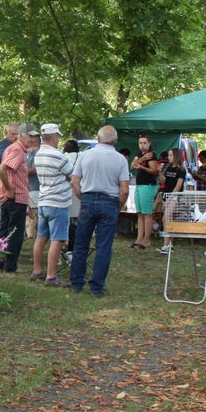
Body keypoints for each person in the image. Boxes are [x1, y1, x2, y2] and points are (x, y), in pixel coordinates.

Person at [69, 126, 129, 296]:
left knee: (81, 244)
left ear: (98, 138)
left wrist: (83, 198)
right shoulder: (120, 159)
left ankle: (76, 283)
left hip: (88, 200)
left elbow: (74, 182)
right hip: (109, 201)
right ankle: (96, 287)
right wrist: (118, 206)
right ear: (115, 140)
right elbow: (124, 190)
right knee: (103, 247)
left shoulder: (85, 155)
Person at [31, 123, 74, 285]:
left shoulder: (39, 154)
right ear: (54, 136)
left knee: (41, 237)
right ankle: (51, 276)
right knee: (58, 239)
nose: (59, 140)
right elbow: (73, 175)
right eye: (58, 136)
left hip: (43, 200)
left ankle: (37, 271)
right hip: (58, 202)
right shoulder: (58, 156)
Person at [0, 123, 39, 273]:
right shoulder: (17, 150)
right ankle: (10, 266)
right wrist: (9, 189)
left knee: (4, 230)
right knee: (15, 233)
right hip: (14, 198)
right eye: (30, 136)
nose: (33, 139)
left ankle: (0, 262)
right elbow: (1, 169)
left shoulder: (14, 149)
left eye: (34, 137)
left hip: (11, 197)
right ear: (22, 135)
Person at [129, 135, 159, 250]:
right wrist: (142, 159)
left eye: (144, 143)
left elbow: (154, 171)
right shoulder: (140, 154)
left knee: (147, 214)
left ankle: (146, 239)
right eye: (140, 143)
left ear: (149, 143)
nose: (142, 145)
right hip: (139, 185)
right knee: (140, 213)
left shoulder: (152, 155)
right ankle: (139, 239)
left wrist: (142, 167)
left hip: (148, 185)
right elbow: (132, 166)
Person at [156, 148, 186, 254]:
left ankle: (166, 245)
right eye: (168, 155)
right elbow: (163, 181)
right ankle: (169, 245)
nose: (168, 157)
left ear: (176, 156)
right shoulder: (168, 167)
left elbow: (178, 186)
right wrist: (159, 172)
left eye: (171, 155)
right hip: (166, 194)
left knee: (166, 218)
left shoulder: (181, 170)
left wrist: (169, 199)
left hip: (174, 196)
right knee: (167, 219)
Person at [0, 123, 19, 214]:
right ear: (6, 133)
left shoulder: (19, 146)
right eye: (13, 134)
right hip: (1, 187)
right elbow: (7, 159)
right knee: (0, 218)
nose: (16, 136)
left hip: (15, 187)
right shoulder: (1, 146)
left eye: (18, 134)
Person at [62, 139, 81, 255]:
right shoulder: (81, 156)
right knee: (77, 216)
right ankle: (77, 239)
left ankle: (66, 240)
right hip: (77, 188)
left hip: (65, 189)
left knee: (67, 218)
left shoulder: (63, 157)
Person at [25, 132, 42, 240]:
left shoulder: (39, 153)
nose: (30, 141)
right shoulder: (29, 153)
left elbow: (36, 169)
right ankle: (31, 234)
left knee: (35, 212)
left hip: (36, 186)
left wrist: (22, 172)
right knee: (30, 212)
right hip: (29, 187)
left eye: (33, 139)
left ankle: (35, 234)